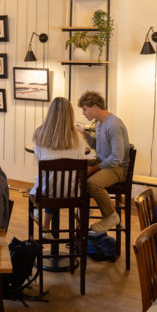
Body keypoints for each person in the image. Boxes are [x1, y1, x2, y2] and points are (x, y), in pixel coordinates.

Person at [29, 97, 89, 227]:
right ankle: (78, 228)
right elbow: (81, 164)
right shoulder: (77, 137)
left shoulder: (39, 135)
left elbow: (40, 165)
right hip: (71, 193)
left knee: (49, 183)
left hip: (46, 192)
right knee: (62, 182)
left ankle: (44, 224)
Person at [76, 91, 128, 234]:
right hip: (105, 161)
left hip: (118, 168)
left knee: (92, 183)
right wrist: (86, 136)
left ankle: (111, 216)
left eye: (85, 109)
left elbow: (116, 158)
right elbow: (100, 148)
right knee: (76, 168)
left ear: (95, 107)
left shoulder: (114, 125)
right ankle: (83, 211)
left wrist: (94, 169)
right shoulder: (100, 123)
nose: (83, 113)